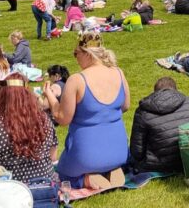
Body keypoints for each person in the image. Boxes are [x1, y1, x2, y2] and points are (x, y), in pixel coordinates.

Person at [45, 31, 130, 189]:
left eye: (76, 53)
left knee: (62, 175)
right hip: (119, 151)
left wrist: (50, 96)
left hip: (85, 156)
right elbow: (125, 106)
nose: (75, 57)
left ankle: (86, 180)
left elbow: (62, 118)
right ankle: (112, 170)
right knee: (107, 159)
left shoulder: (77, 80)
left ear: (86, 53)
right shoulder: (118, 73)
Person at [0, 72, 59, 186]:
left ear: (3, 96)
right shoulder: (44, 119)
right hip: (45, 185)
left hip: (13, 188)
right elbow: (53, 157)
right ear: (28, 94)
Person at [128, 76, 189, 174]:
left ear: (155, 92)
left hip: (157, 166)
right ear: (175, 90)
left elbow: (137, 152)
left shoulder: (143, 111)